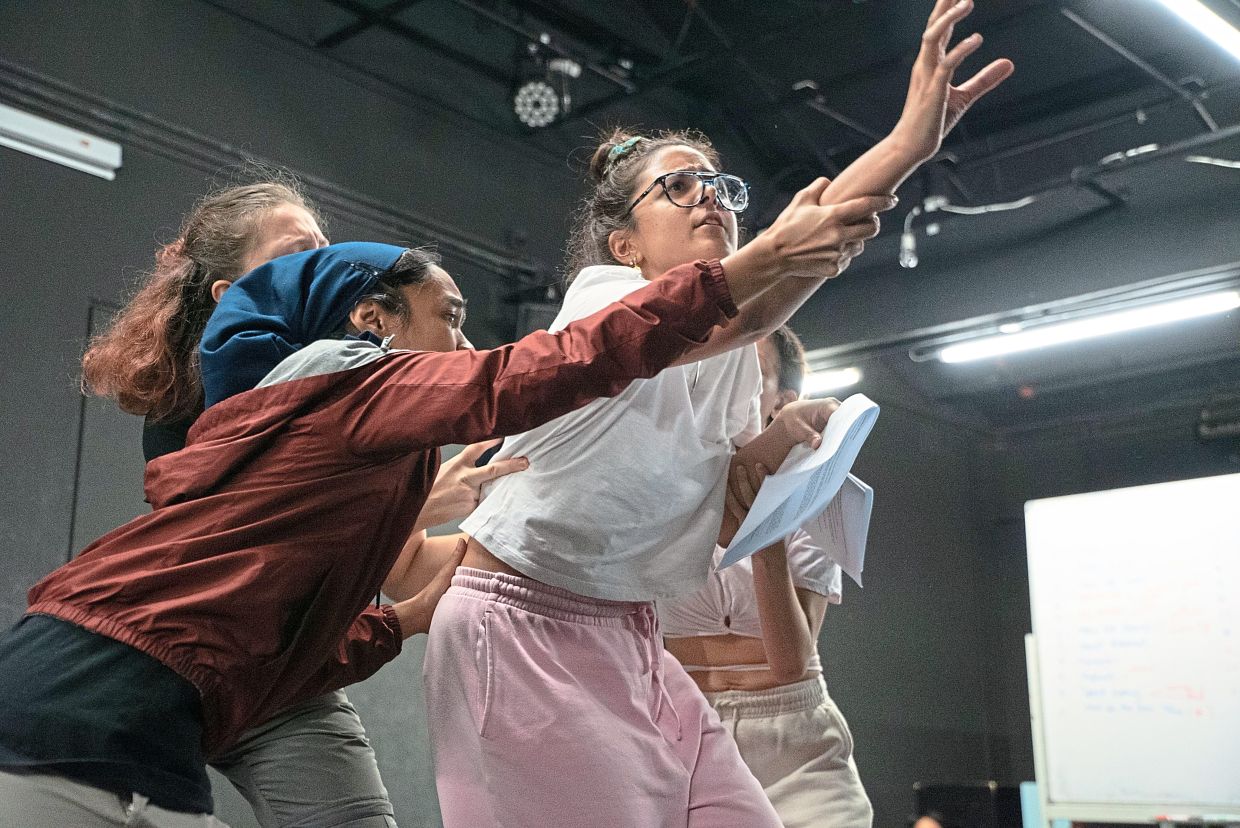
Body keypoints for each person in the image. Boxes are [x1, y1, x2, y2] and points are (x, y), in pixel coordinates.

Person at [0, 203, 840, 826]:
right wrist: (746, 270)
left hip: (240, 673)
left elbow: (293, 622)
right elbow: (538, 369)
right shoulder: (345, 381)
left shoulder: (358, 416)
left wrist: (407, 606)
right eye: (308, 258)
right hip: (121, 694)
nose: (335, 262)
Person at [426, 2, 1013, 825]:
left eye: (719, 186)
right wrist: (903, 146)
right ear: (623, 244)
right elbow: (751, 305)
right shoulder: (603, 299)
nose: (710, 198)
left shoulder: (736, 357)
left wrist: (769, 446)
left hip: (627, 635)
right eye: (677, 188)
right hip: (521, 625)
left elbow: (752, 340)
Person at [77, 179, 523, 828]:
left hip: (292, 672)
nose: (326, 266)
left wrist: (547, 552)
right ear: (233, 296)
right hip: (196, 659)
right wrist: (420, 504)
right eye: (295, 254)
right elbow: (285, 538)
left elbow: (394, 566)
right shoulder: (217, 414)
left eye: (326, 249)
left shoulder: (348, 376)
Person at [660, 325, 872, 828]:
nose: (726, 383)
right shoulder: (660, 486)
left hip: (793, 737)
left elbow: (791, 662)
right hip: (681, 731)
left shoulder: (817, 493)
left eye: (749, 372)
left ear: (784, 401)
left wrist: (766, 542)